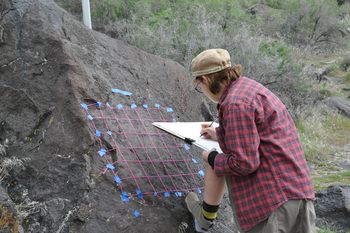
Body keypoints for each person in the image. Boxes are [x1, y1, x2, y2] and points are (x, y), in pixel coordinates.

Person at [184, 49, 316, 233]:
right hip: (295, 195)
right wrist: (220, 133)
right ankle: (205, 218)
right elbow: (261, 134)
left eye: (199, 86)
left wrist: (212, 158)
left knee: (216, 155)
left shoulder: (234, 103)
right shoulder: (248, 88)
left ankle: (205, 217)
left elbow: (244, 163)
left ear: (204, 80)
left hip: (274, 205)